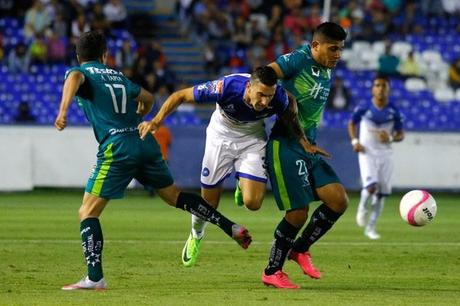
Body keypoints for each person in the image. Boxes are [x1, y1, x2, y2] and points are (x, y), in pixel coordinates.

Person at [54, 30, 252, 291]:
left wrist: (63, 110)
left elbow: (76, 76)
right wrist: (141, 115)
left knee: (87, 212)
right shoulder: (117, 75)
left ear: (79, 56)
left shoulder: (80, 71)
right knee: (174, 197)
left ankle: (95, 278)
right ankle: (231, 227)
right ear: (105, 55)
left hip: (118, 146)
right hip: (144, 140)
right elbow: (147, 98)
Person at [138, 66, 320, 268]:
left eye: (269, 96)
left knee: (253, 203)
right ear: (249, 87)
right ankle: (196, 234)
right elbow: (180, 95)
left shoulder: (278, 96)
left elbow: (291, 108)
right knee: (208, 205)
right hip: (220, 137)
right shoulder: (227, 87)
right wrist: (155, 121)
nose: (265, 102)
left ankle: (242, 183)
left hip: (252, 138)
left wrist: (303, 141)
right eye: (261, 95)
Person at [262, 22, 349, 289]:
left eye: (340, 49)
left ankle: (299, 249)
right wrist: (274, 95)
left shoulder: (325, 70)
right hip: (285, 144)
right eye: (332, 49)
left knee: (338, 201)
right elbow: (266, 74)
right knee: (298, 213)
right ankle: (272, 270)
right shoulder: (298, 60)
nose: (337, 55)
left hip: (309, 145)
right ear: (315, 46)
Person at [348, 75, 404, 240]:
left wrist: (392, 138)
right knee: (371, 187)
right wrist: (355, 141)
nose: (380, 88)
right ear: (373, 88)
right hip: (367, 152)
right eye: (377, 85)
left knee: (382, 193)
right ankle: (362, 208)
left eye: (383, 86)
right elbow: (351, 123)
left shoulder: (394, 111)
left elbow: (401, 134)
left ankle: (370, 227)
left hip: (386, 154)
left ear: (388, 89)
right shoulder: (364, 107)